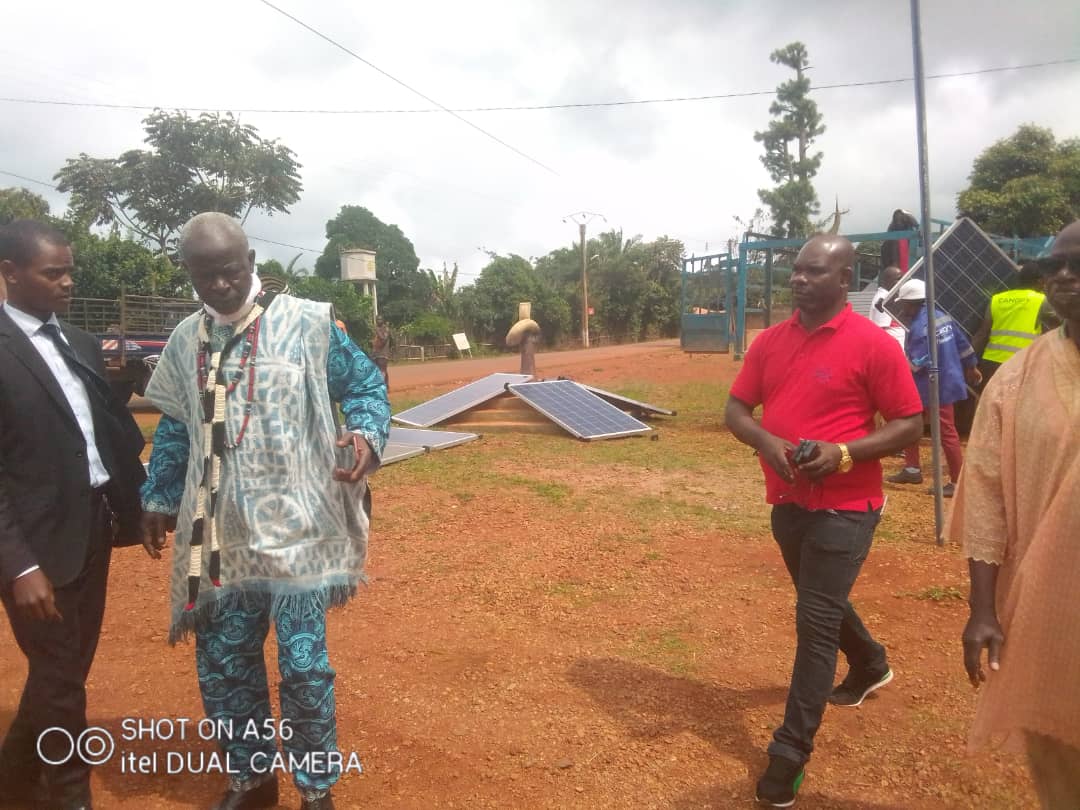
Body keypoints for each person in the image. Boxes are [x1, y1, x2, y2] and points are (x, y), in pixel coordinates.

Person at [140, 213, 390, 810]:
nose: (220, 285)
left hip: (300, 533)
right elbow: (175, 424)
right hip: (220, 536)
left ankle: (316, 788)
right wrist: (158, 494)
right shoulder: (185, 340)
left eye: (229, 271)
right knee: (225, 662)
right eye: (205, 276)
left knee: (303, 667)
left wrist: (364, 433)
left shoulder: (308, 323)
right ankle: (252, 780)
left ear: (251, 262)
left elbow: (365, 387)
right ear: (189, 274)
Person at [724, 234, 923, 807]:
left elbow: (909, 423)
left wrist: (844, 454)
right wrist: (767, 441)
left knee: (814, 624)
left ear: (844, 279)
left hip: (848, 507)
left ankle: (788, 754)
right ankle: (871, 662)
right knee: (822, 601)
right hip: (787, 503)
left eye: (814, 272)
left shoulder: (873, 344)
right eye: (797, 270)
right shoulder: (770, 342)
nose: (799, 279)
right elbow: (736, 410)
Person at [0, 220, 146, 809]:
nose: (67, 282)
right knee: (61, 677)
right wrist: (18, 565)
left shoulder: (81, 344)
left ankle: (12, 775)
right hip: (34, 548)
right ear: (10, 274)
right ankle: (70, 795)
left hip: (92, 527)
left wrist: (139, 508)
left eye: (70, 271)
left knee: (64, 669)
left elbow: (106, 438)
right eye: (53, 273)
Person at [950, 219, 1080, 809]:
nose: (1064, 276)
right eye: (1053, 265)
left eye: (1078, 264)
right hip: (1046, 609)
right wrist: (982, 609)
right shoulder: (1017, 380)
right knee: (1056, 753)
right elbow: (984, 494)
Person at [886, 279, 981, 497]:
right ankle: (912, 469)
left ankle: (956, 482)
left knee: (945, 432)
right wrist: (972, 366)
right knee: (913, 422)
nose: (902, 309)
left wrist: (897, 363)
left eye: (904, 304)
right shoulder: (942, 317)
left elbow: (918, 364)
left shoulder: (919, 328)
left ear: (911, 303)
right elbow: (963, 344)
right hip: (947, 379)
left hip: (932, 385)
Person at [970, 262, 1059, 388]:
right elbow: (1066, 319)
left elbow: (982, 334)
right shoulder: (1041, 300)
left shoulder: (997, 299)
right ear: (1040, 281)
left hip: (992, 362)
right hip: (1021, 363)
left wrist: (969, 362)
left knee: (990, 398)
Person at [869, 265, 906, 351]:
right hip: (890, 350)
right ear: (886, 280)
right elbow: (881, 330)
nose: (901, 282)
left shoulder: (888, 297)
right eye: (898, 279)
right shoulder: (883, 299)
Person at [371, 316, 390, 386]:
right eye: (377, 319)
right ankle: (386, 385)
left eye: (380, 319)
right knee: (379, 370)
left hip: (383, 353)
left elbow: (384, 339)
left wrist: (378, 331)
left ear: (383, 320)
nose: (378, 321)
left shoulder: (386, 329)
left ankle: (381, 385)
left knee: (382, 370)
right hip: (375, 353)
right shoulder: (376, 329)